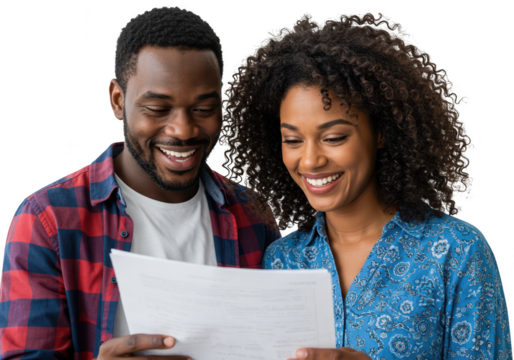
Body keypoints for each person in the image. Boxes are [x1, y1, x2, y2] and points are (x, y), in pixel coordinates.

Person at [219, 11, 513, 360]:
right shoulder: (282, 260)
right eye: (293, 140)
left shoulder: (455, 252)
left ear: (381, 132)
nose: (310, 160)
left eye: (334, 137)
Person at [0, 6, 281, 360]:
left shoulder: (255, 217)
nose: (183, 130)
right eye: (158, 109)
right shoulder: (49, 220)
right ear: (118, 101)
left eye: (203, 108)